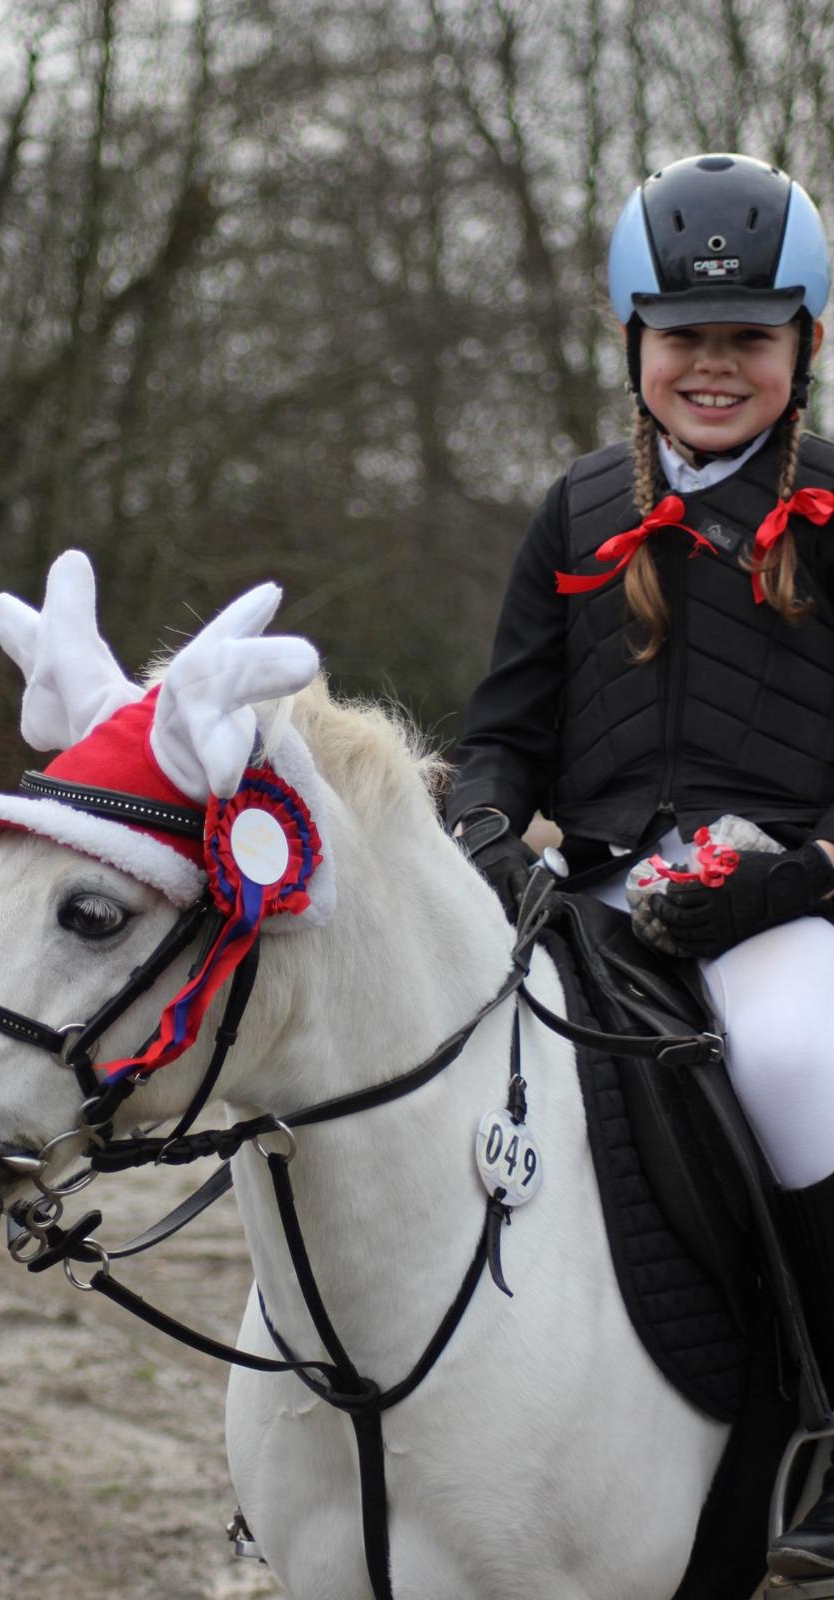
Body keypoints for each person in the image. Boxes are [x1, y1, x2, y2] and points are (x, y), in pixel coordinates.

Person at [446, 151, 834, 1580]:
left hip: (791, 900)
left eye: (751, 337)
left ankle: (822, 1443)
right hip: (596, 898)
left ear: (806, 341)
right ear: (634, 343)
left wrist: (796, 878)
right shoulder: (580, 509)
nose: (715, 365)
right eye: (685, 335)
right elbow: (503, 735)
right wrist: (485, 824)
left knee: (795, 1062)